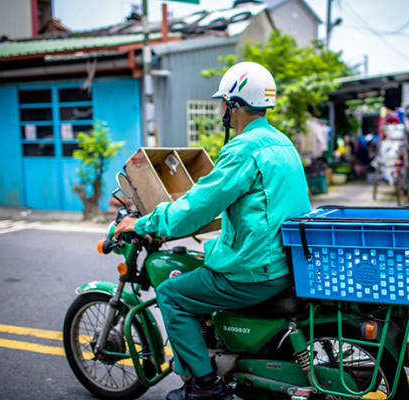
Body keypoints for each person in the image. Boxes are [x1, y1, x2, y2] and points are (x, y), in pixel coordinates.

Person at [114, 61, 311, 400]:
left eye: (224, 102)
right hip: (283, 260)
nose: (222, 108)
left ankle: (204, 386)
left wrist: (144, 222)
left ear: (234, 105)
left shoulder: (244, 148)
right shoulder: (281, 143)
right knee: (206, 255)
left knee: (173, 294)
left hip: (255, 270)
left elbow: (197, 207)